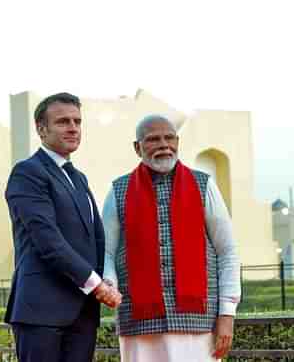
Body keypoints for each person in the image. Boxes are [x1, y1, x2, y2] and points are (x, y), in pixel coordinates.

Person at [102, 114, 241, 362]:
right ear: (137, 147)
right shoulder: (118, 190)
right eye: (153, 139)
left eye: (169, 138)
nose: (164, 145)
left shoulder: (204, 185)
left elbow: (227, 251)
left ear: (178, 141)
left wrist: (227, 315)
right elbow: (106, 252)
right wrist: (110, 285)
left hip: (198, 323)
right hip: (139, 323)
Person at [5, 92, 121, 362]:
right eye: (63, 122)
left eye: (77, 121)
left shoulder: (78, 178)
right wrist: (97, 286)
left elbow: (94, 239)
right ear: (41, 128)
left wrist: (106, 279)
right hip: (41, 310)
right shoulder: (27, 173)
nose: (73, 128)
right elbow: (48, 240)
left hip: (82, 312)